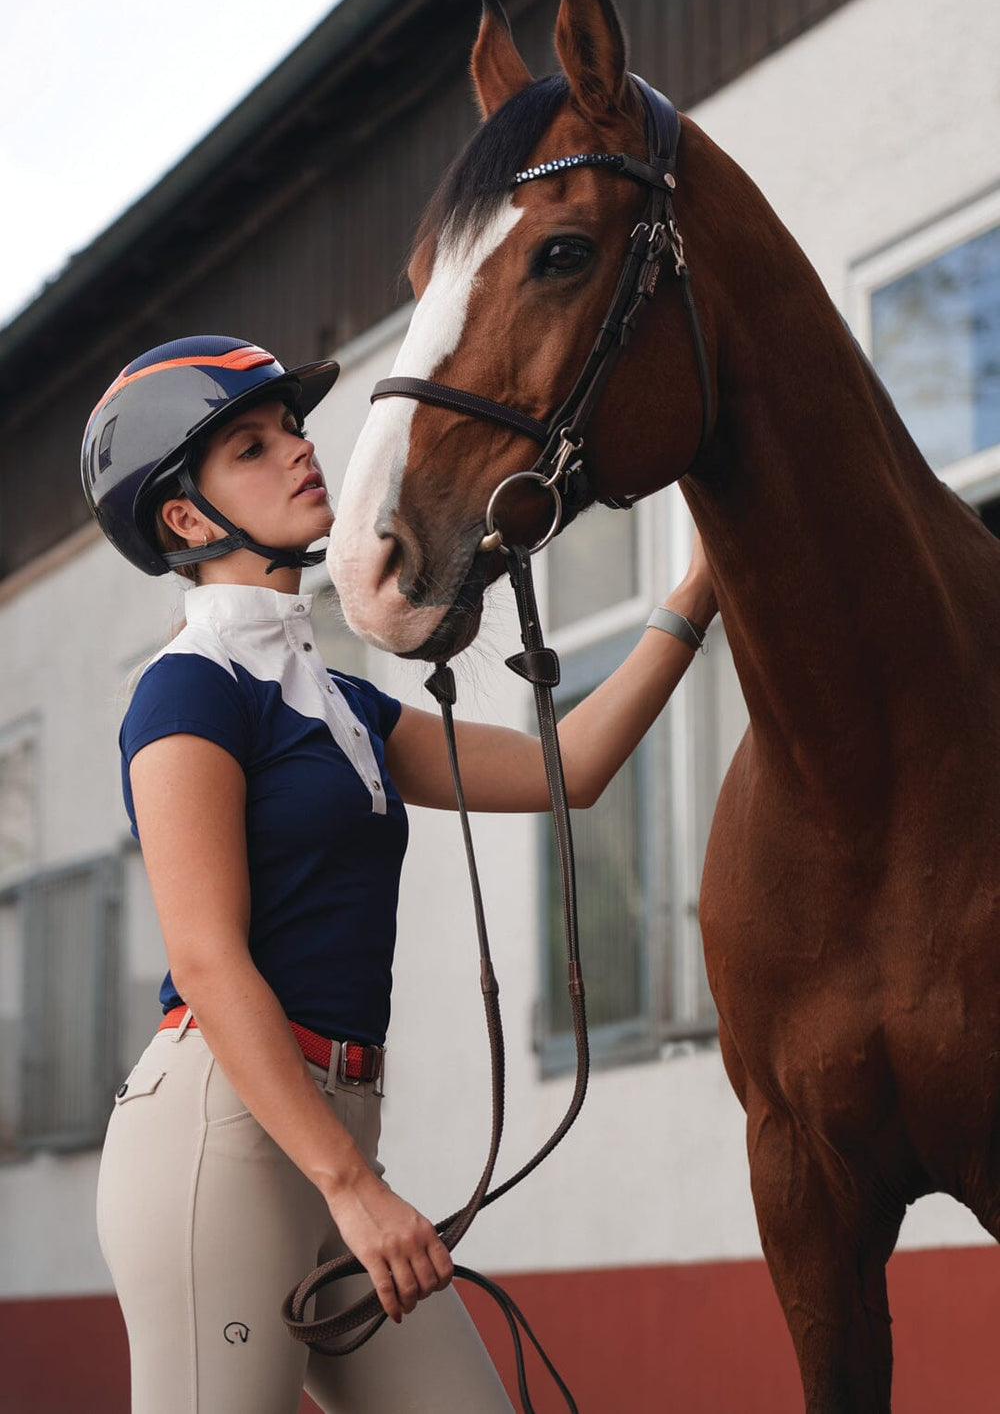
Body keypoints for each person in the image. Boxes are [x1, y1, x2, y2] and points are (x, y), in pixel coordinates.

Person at [82, 335, 717, 1414]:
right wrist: (355, 1190)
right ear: (186, 520)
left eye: (290, 429)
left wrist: (702, 586)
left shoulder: (340, 702)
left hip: (333, 1129)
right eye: (251, 446)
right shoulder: (187, 691)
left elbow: (574, 769)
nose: (297, 451)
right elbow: (206, 955)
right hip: (221, 1136)